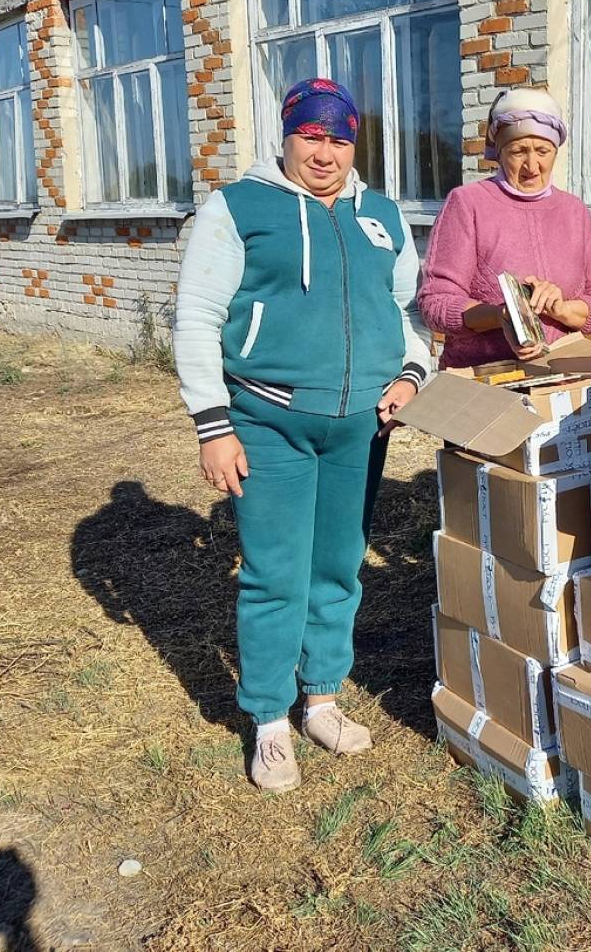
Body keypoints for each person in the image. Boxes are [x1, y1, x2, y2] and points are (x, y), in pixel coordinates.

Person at [172, 77, 431, 790]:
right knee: (273, 572)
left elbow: (408, 311)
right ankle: (268, 720)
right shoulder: (240, 208)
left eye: (339, 137)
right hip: (267, 420)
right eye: (311, 135)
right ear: (287, 135)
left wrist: (412, 372)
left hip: (359, 428)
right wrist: (212, 423)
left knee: (337, 567)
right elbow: (196, 315)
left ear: (355, 143)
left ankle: (321, 698)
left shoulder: (380, 214)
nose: (325, 151)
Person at [419, 88, 591, 368]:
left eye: (543, 151)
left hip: (564, 380)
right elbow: (435, 304)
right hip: (486, 384)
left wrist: (563, 310)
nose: (532, 166)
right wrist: (500, 315)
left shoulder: (574, 210)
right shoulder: (467, 203)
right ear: (499, 151)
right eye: (518, 151)